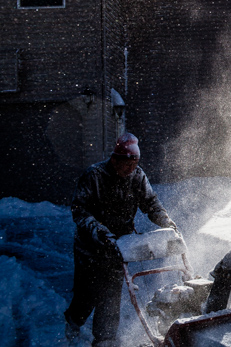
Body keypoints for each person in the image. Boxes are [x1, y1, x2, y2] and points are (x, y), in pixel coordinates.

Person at [64, 133, 178, 346]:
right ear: (115, 159)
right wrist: (100, 232)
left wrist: (166, 222)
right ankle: (73, 321)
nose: (131, 169)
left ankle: (104, 340)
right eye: (127, 163)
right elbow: (79, 210)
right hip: (90, 247)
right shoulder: (94, 176)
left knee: (110, 296)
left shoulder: (137, 176)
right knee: (87, 294)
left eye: (135, 163)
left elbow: (150, 203)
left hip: (119, 247)